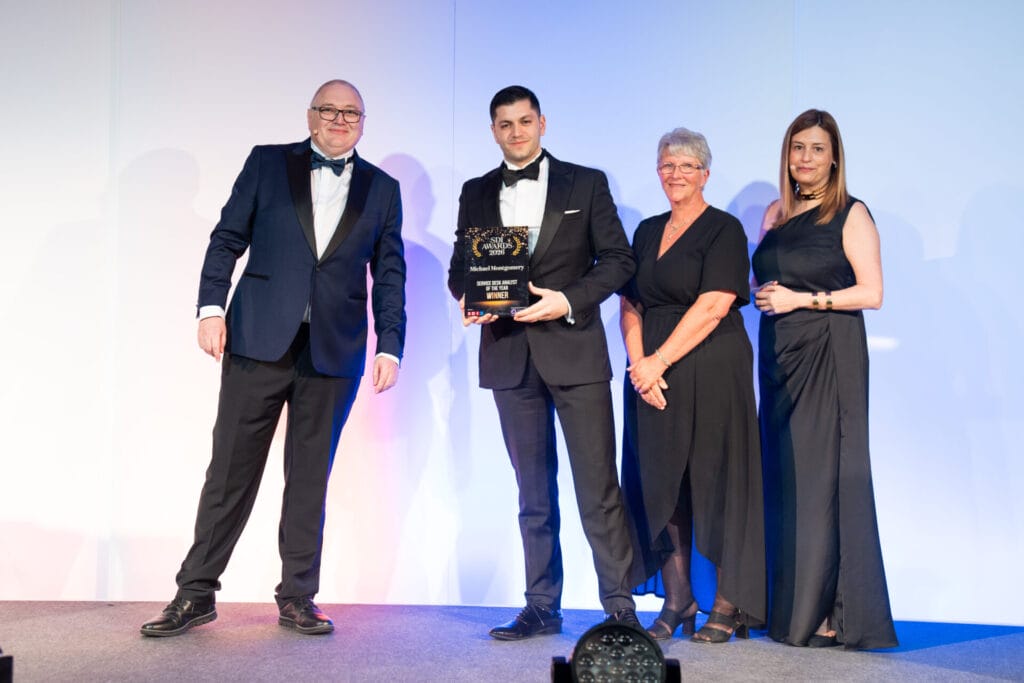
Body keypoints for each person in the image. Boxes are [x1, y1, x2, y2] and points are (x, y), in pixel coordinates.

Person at [140, 79, 406, 637]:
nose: (339, 120)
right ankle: (195, 593)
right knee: (229, 472)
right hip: (257, 339)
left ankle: (298, 597)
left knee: (309, 479)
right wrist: (210, 308)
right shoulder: (267, 163)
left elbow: (389, 274)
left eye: (351, 113)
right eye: (329, 110)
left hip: (333, 351)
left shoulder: (383, 189)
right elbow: (226, 238)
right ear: (310, 116)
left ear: (363, 123)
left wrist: (391, 345)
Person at [448, 85, 639, 639]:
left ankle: (619, 607)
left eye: (525, 121)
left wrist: (569, 300)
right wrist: (468, 297)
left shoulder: (586, 182)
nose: (516, 132)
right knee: (532, 492)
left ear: (542, 123)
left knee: (598, 489)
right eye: (505, 124)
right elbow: (462, 266)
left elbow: (619, 260)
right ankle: (541, 605)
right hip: (509, 355)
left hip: (574, 351)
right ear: (493, 131)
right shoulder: (475, 190)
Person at [752, 109, 898, 649]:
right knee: (785, 479)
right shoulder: (775, 213)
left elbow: (872, 293)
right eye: (798, 148)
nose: (806, 158)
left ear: (834, 157)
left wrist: (801, 300)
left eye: (817, 148)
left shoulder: (850, 213)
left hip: (829, 353)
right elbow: (764, 278)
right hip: (778, 355)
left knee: (822, 481)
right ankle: (792, 606)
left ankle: (831, 612)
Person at [619, 128, 766, 643]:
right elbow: (630, 303)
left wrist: (657, 360)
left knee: (715, 479)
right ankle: (678, 598)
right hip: (651, 375)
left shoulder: (724, 229)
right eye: (667, 165)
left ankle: (727, 602)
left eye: (686, 166)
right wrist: (640, 367)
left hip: (711, 365)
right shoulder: (646, 232)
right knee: (663, 482)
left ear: (705, 174)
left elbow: (715, 304)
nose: (675, 174)